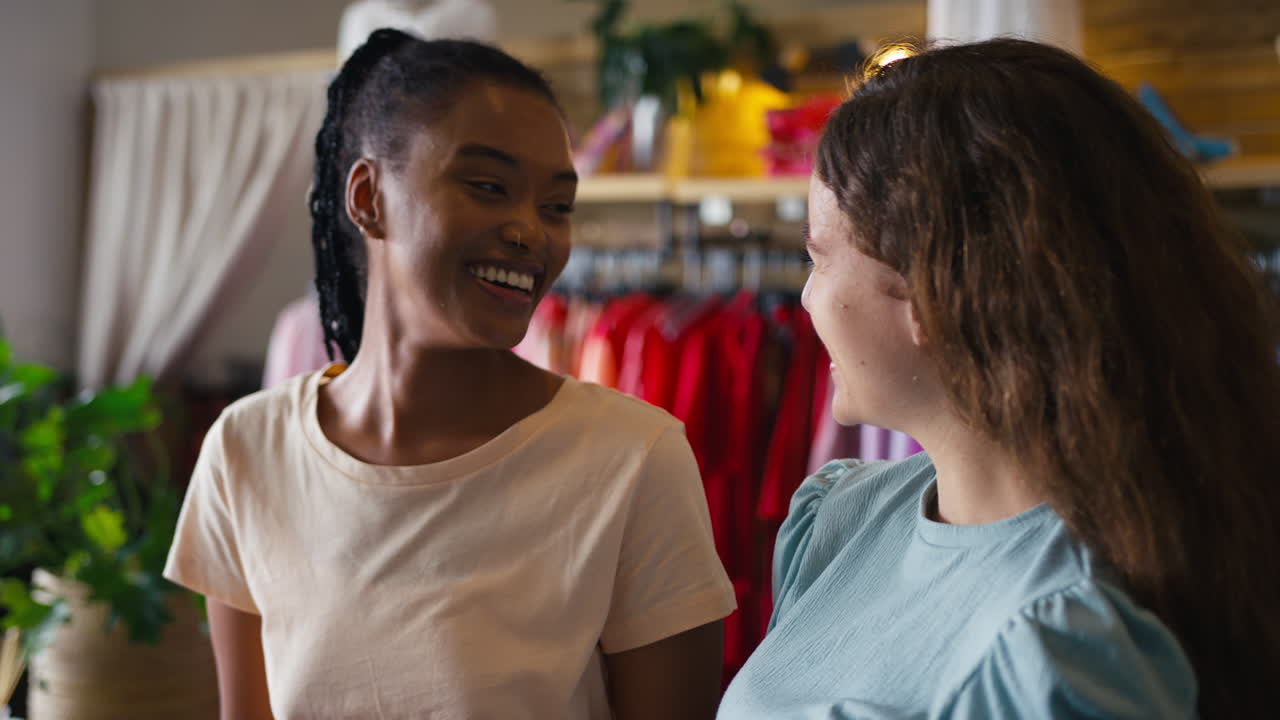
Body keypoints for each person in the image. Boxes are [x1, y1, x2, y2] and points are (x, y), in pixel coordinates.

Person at [165, 29, 735, 720]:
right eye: (489, 187)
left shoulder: (632, 460)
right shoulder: (246, 451)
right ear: (368, 196)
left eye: (556, 206)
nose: (530, 231)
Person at [718, 39, 1280, 719]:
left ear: (929, 288)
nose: (807, 298)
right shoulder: (840, 520)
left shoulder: (1061, 647)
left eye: (820, 258)